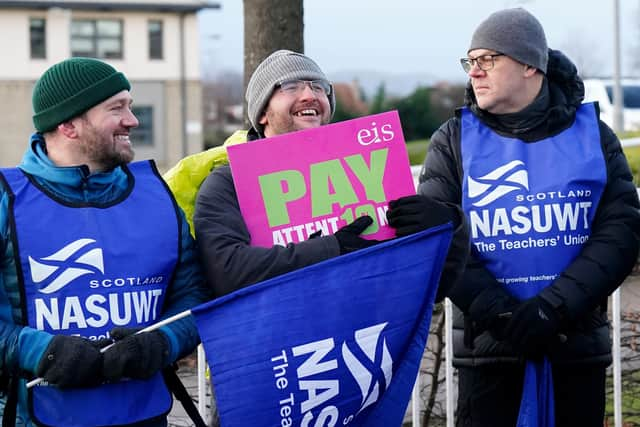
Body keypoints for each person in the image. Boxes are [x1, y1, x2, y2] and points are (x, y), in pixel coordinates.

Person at [418, 8, 640, 427]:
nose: (474, 73)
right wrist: (502, 314)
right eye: (471, 62)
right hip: (488, 352)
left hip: (573, 348)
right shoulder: (452, 141)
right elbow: (441, 237)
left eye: (488, 60)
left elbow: (620, 232)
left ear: (529, 66)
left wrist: (552, 310)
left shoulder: (593, 135)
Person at [0, 57, 207, 426]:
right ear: (67, 125)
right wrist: (43, 352)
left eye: (130, 105)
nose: (133, 120)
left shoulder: (158, 197)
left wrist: (163, 342)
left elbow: (195, 298)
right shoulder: (8, 201)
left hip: (146, 416)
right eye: (117, 108)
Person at [188, 49, 466, 299]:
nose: (309, 95)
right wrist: (331, 249)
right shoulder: (228, 182)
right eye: (290, 86)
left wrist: (448, 228)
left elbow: (430, 286)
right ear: (262, 113)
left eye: (318, 87)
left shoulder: (372, 167)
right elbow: (226, 271)